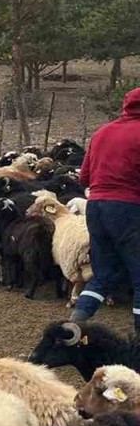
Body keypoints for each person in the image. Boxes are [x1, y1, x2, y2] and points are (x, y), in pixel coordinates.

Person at [70, 87, 140, 333]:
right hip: (128, 209)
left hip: (96, 207)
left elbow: (84, 178)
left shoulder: (102, 132)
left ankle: (73, 327)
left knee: (103, 275)